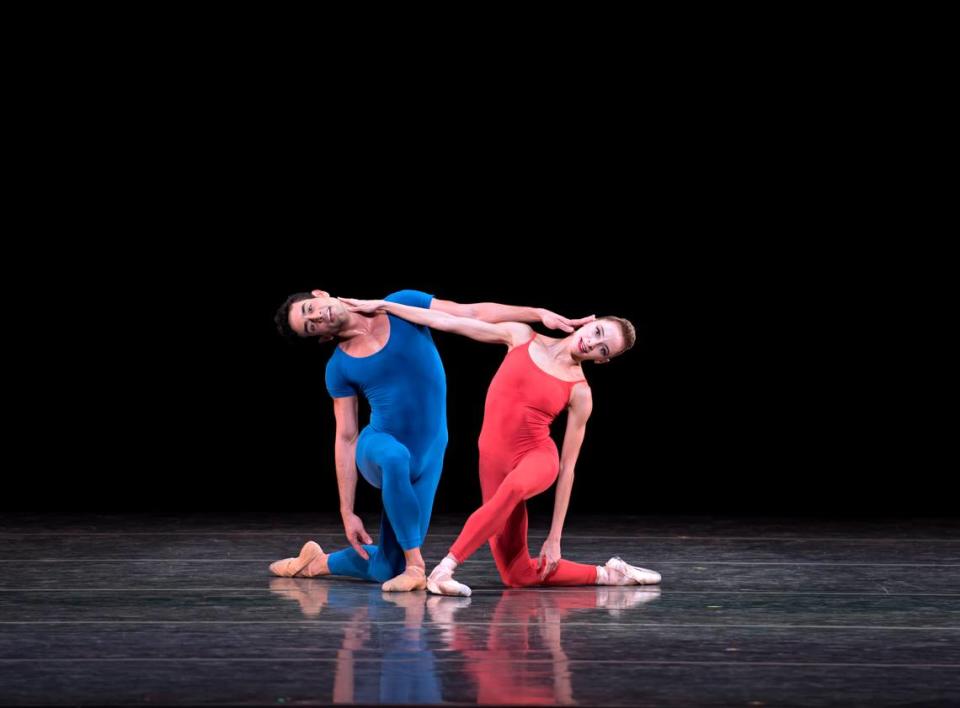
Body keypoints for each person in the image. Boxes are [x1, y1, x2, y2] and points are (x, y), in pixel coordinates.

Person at [269, 289, 594, 592]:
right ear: (322, 336)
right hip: (378, 446)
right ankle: (417, 566)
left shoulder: (401, 304)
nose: (318, 318)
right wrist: (346, 509)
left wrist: (537, 313)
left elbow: (471, 312)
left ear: (320, 295)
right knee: (395, 458)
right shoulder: (339, 367)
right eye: (311, 326)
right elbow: (346, 435)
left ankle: (317, 563)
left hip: (428, 455)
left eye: (311, 310)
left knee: (385, 567)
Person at [339, 297, 662, 596]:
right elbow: (446, 322)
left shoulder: (580, 392)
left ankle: (443, 570)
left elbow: (567, 468)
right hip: (493, 462)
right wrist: (385, 306)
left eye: (602, 350)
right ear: (589, 322)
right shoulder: (521, 337)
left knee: (514, 489)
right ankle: (611, 575)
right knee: (517, 574)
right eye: (597, 332)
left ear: (602, 361)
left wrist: (554, 538)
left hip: (537, 457)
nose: (592, 343)